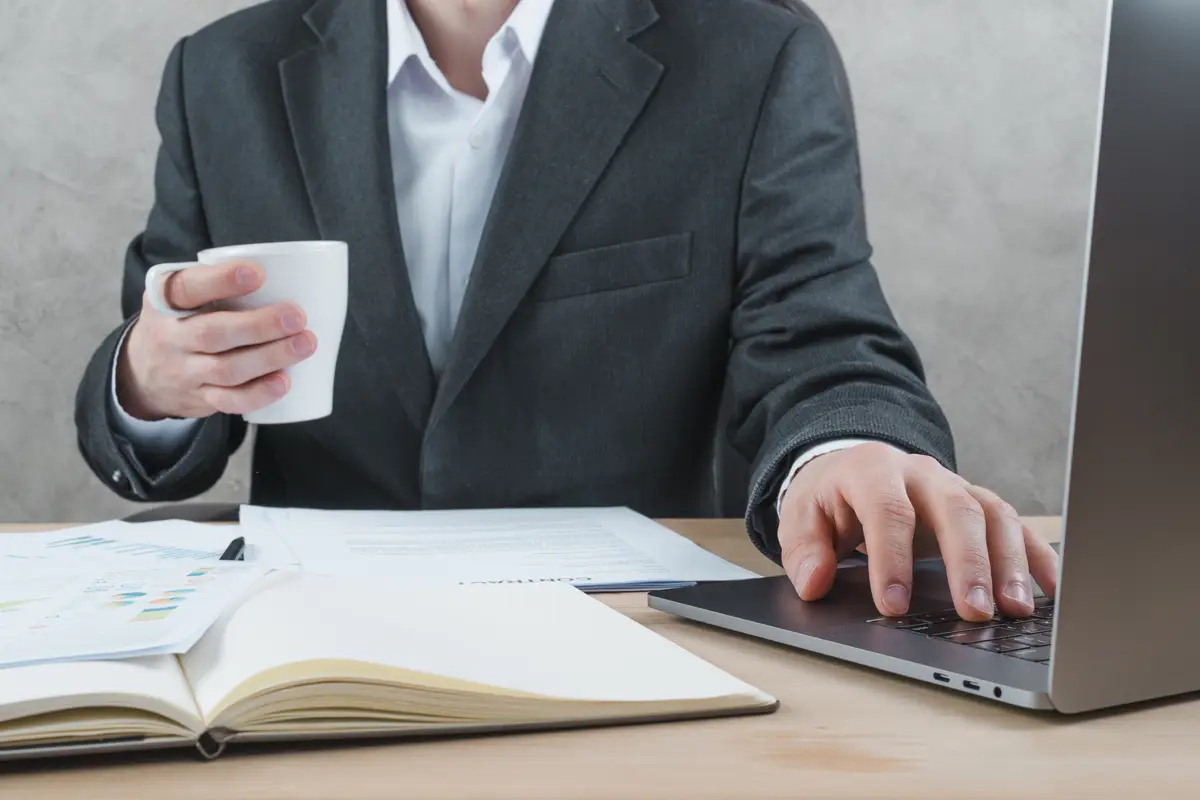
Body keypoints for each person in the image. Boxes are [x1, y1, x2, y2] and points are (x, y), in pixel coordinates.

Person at [75, 0, 1058, 622]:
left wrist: (841, 450)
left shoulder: (758, 53)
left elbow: (825, 340)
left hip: (633, 632)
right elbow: (158, 371)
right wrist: (148, 381)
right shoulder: (219, 74)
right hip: (314, 639)